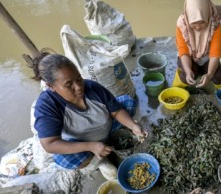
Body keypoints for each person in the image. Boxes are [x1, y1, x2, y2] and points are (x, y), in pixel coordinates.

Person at [30, 49, 146, 179]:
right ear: (51, 86)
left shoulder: (92, 87)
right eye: (69, 85)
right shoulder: (47, 105)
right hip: (81, 142)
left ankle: (110, 140)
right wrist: (91, 146)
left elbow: (117, 110)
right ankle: (98, 160)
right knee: (64, 159)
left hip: (105, 128)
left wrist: (133, 126)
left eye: (78, 79)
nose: (78, 87)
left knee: (128, 102)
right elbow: (49, 144)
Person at [172, 0, 221, 91]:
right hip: (188, 56)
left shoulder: (214, 24)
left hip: (207, 57)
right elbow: (183, 51)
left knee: (219, 76)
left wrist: (210, 74)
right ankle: (177, 89)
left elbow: (215, 53)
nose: (198, 27)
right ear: (188, 18)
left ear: (207, 15)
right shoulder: (182, 24)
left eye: (202, 22)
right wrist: (188, 71)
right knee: (186, 75)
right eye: (193, 23)